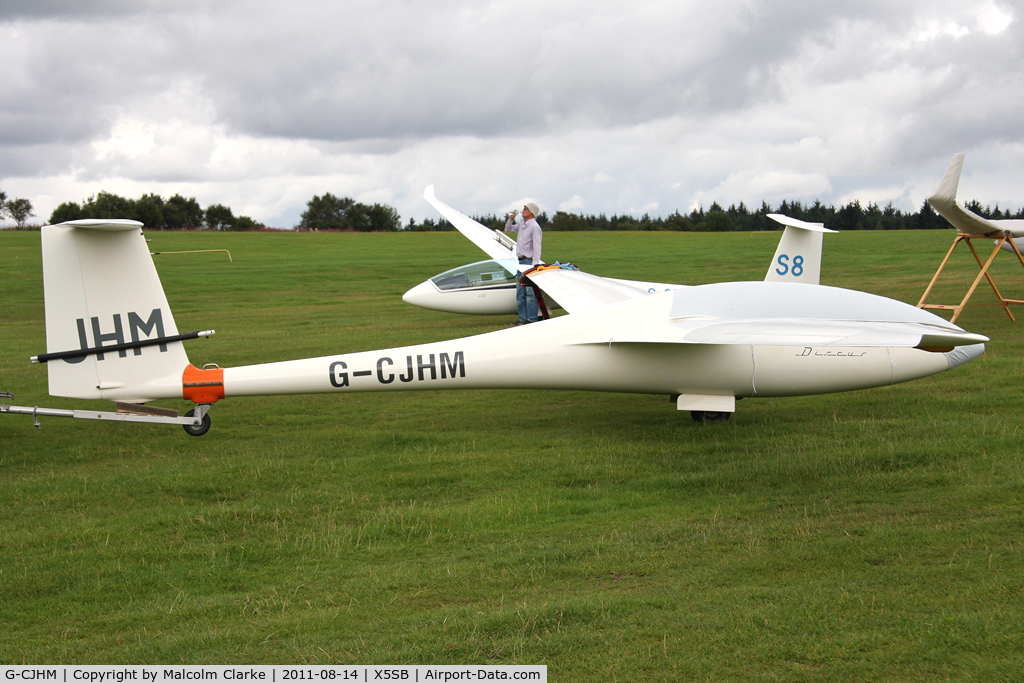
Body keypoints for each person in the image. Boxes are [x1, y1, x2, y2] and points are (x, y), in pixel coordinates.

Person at [504, 202, 543, 324]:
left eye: (525, 209)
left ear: (532, 212)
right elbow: (508, 229)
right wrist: (511, 218)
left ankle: (531, 319)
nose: (523, 210)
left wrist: (535, 264)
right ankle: (522, 319)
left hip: (529, 262)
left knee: (530, 293)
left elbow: (537, 246)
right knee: (520, 292)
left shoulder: (535, 227)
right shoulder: (522, 224)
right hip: (520, 261)